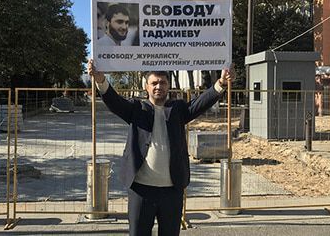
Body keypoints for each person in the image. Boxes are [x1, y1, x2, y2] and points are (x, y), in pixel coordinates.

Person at [88, 59, 234, 236]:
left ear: (168, 86)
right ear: (146, 87)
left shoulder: (178, 109)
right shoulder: (136, 108)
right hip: (141, 189)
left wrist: (221, 83)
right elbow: (114, 101)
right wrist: (100, 80)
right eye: (154, 83)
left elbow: (200, 103)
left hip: (172, 191)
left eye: (163, 82)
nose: (159, 86)